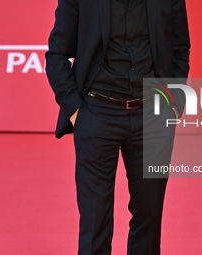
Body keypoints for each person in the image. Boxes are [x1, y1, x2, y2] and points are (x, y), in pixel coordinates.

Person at [45, 0, 190, 254]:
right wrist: (77, 111)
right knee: (95, 220)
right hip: (97, 114)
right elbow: (56, 55)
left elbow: (180, 48)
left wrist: (174, 103)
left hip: (152, 115)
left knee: (149, 216)